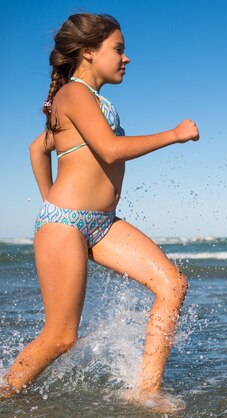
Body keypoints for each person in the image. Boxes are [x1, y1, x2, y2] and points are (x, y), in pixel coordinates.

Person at [0, 13, 199, 411]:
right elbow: (109, 149)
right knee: (60, 337)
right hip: (66, 225)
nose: (127, 59)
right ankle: (4, 393)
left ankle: (147, 392)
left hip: (101, 225)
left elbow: (37, 148)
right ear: (88, 52)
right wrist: (174, 135)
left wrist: (47, 196)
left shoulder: (88, 101)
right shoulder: (72, 94)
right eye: (119, 50)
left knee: (172, 285)